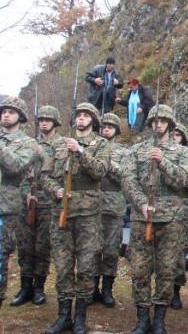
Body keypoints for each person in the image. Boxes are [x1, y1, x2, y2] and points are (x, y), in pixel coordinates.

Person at [122, 104, 188, 334]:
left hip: (173, 220)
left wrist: (164, 163)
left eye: (163, 121)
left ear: (170, 124)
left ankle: (159, 319)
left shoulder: (183, 153)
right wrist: (141, 203)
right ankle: (143, 316)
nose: (158, 124)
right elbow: (128, 180)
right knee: (139, 270)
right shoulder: (136, 151)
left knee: (167, 270)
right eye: (155, 121)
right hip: (142, 217)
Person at [39, 102, 110, 334]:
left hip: (88, 215)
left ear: (93, 120)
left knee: (87, 267)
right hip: (62, 213)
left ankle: (80, 316)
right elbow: (45, 176)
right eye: (78, 115)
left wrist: (81, 152)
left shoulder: (101, 144)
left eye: (85, 116)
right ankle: (63, 316)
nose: (81, 119)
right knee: (63, 266)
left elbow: (100, 171)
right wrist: (56, 191)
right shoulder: (59, 145)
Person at [13, 105, 57, 307]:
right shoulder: (28, 143)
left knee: (42, 247)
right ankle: (25, 286)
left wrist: (42, 154)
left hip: (48, 202)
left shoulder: (61, 145)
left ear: (55, 122)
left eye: (48, 120)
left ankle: (39, 287)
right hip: (26, 200)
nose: (43, 123)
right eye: (41, 120)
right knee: (25, 245)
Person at [0, 97, 40, 308]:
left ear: (20, 117)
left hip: (5, 208)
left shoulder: (28, 144)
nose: (6, 114)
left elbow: (16, 166)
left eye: (11, 112)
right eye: (3, 111)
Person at [95, 113, 129, 308]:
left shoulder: (124, 153)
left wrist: (107, 163)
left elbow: (125, 177)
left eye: (110, 126)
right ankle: (91, 288)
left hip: (113, 206)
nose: (106, 128)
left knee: (110, 250)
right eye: (103, 125)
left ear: (116, 130)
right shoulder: (91, 148)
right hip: (91, 206)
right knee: (91, 250)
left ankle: (107, 289)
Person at [169, 121, 188, 311]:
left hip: (179, 210)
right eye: (172, 134)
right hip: (157, 211)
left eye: (178, 135)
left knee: (178, 253)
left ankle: (175, 291)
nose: (174, 137)